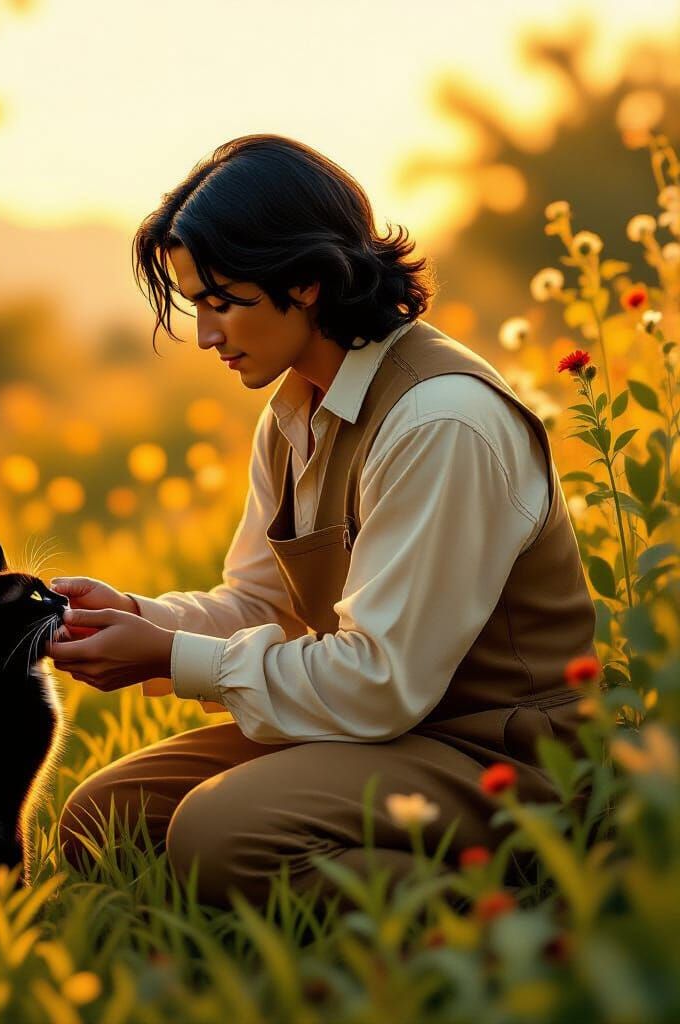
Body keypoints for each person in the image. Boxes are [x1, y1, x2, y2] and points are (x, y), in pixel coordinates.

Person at [44, 134, 596, 909]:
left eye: (221, 302)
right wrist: (137, 618)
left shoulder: (441, 419)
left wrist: (170, 656)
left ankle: (541, 921)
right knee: (105, 818)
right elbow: (261, 604)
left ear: (304, 283)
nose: (206, 335)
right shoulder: (294, 412)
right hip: (388, 733)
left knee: (221, 833)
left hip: (502, 753)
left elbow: (381, 682)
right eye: (195, 303)